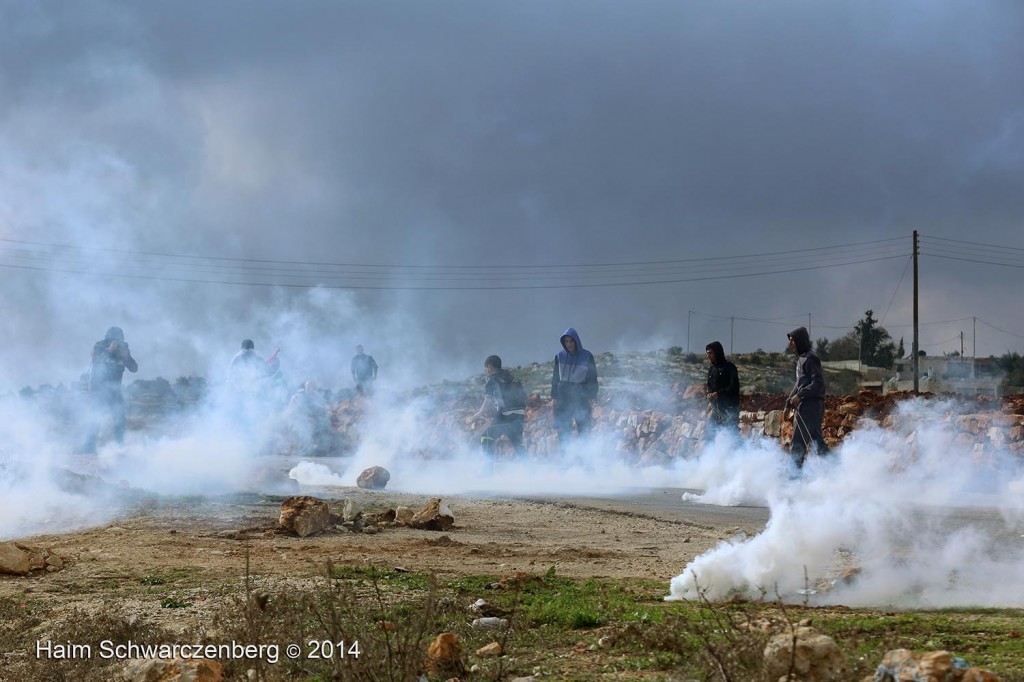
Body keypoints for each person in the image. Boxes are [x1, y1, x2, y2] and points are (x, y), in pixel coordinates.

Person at [80, 326, 138, 453]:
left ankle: (119, 446)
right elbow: (96, 362)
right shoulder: (100, 347)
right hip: (99, 390)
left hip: (114, 390)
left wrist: (127, 357)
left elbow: (134, 368)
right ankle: (89, 447)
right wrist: (109, 351)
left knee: (119, 420)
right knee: (95, 418)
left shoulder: (123, 350)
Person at [786, 326, 830, 468]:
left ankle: (794, 479)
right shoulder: (801, 359)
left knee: (798, 443)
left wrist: (800, 395)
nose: (790, 343)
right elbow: (799, 383)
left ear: (800, 341)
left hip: (809, 406)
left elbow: (818, 383)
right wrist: (788, 402)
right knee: (817, 443)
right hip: (807, 406)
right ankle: (838, 469)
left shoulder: (810, 358)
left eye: (793, 340)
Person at [469, 355, 527, 456]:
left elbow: (489, 399)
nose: (486, 371)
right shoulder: (513, 378)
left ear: (489, 366)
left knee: (486, 438)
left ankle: (488, 470)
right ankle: (530, 469)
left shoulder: (492, 378)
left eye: (486, 368)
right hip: (519, 415)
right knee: (516, 442)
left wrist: (477, 415)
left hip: (505, 415)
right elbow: (523, 396)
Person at [551, 328, 599, 442]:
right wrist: (554, 396)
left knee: (584, 430)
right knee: (563, 430)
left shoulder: (586, 356)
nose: (569, 344)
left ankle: (585, 456)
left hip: (580, 398)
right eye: (566, 341)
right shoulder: (559, 356)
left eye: (571, 341)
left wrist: (590, 395)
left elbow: (592, 378)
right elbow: (555, 378)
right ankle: (566, 457)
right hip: (563, 398)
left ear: (576, 341)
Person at [705, 341, 740, 433]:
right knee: (710, 431)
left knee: (731, 434)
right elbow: (709, 386)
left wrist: (719, 394)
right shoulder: (712, 369)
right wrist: (709, 394)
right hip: (716, 408)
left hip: (729, 408)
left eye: (710, 353)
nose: (708, 356)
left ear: (717, 352)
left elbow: (734, 387)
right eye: (707, 353)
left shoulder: (730, 367)